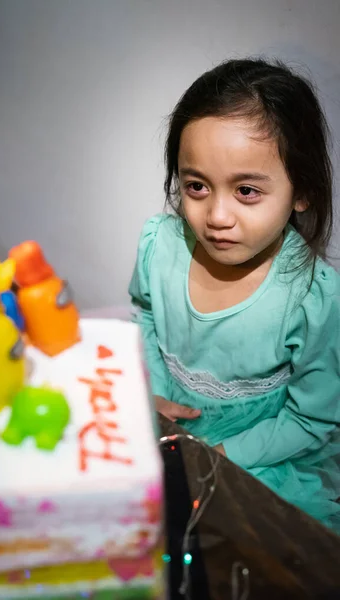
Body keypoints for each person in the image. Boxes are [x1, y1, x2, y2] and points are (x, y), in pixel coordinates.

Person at [129, 58, 340, 532]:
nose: (217, 215)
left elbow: (312, 420)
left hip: (263, 451)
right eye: (197, 186)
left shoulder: (313, 298)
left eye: (246, 190)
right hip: (172, 424)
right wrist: (157, 393)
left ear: (301, 191)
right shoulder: (159, 245)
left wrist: (222, 455)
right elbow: (144, 313)